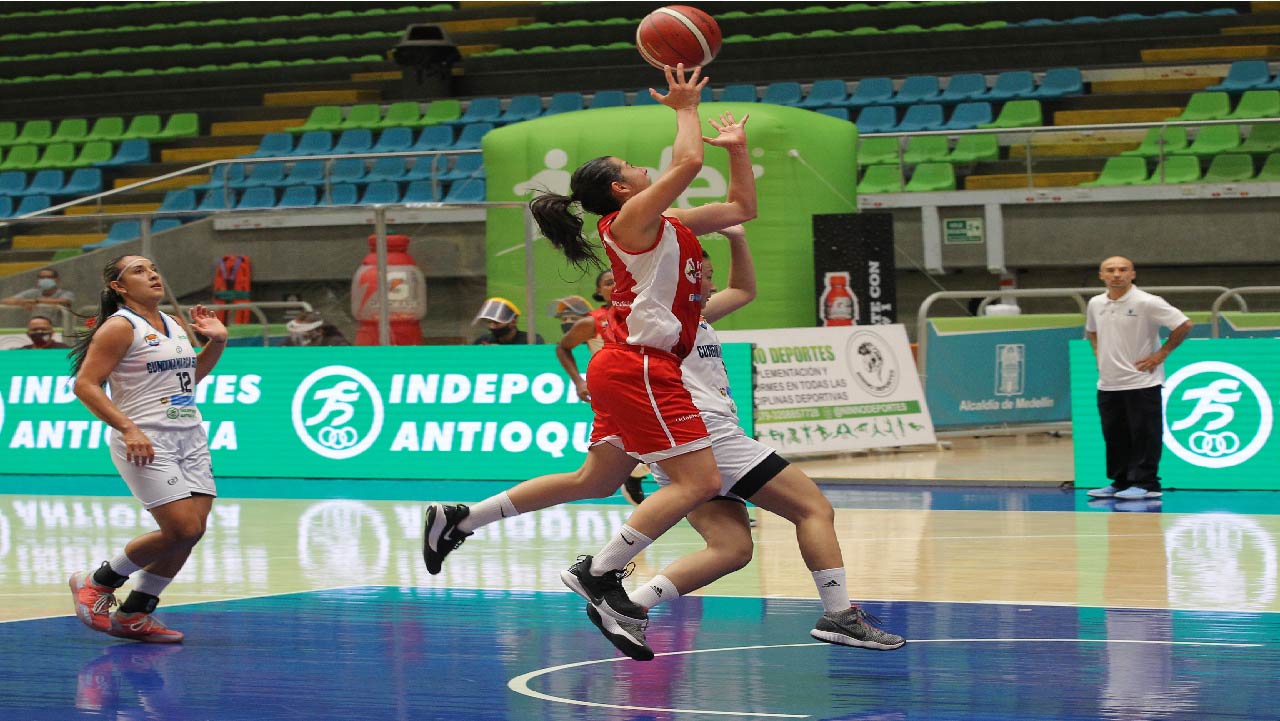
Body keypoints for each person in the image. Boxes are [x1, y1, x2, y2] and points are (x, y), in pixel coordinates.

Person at [422, 224, 905, 659]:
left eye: (708, 274)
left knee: (730, 547)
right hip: (702, 431)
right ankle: (839, 614)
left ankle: (627, 605)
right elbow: (585, 336)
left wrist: (737, 237)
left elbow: (744, 289)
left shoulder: (691, 312)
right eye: (700, 272)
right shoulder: (652, 314)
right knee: (813, 509)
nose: (707, 281)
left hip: (678, 434)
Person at [67, 254, 228, 643]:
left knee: (193, 531)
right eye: (139, 270)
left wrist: (217, 342)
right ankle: (97, 581)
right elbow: (85, 385)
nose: (153, 274)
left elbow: (188, 379)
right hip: (145, 440)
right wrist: (127, 428)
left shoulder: (172, 323)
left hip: (189, 436)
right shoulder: (120, 327)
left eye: (154, 267)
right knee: (181, 527)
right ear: (119, 287)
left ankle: (135, 612)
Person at [1085, 256, 1193, 501]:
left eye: (1123, 269)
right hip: (1108, 383)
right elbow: (1092, 331)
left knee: (1144, 434)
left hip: (1142, 382)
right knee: (1115, 435)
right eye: (1110, 270)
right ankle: (1120, 481)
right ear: (1101, 275)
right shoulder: (1095, 303)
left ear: (1132, 274)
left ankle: (1147, 483)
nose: (1116, 274)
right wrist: (1097, 352)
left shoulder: (1147, 302)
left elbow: (1184, 324)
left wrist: (1161, 354)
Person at [553, 273, 647, 505]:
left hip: (649, 386)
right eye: (608, 282)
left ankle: (635, 474)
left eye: (618, 279)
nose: (615, 285)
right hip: (614, 392)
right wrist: (579, 381)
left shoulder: (644, 313)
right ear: (599, 292)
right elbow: (562, 348)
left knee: (647, 444)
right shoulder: (591, 322)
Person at [471, 296, 544, 345]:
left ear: (513, 321)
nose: (492, 326)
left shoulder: (532, 340)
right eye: (489, 322)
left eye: (496, 322)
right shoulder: (483, 341)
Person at [2, 266, 76, 313]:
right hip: (37, 326)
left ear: (57, 279)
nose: (45, 279)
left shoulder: (65, 293)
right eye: (42, 277)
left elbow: (64, 301)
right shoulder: (33, 292)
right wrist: (24, 301)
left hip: (60, 330)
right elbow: (5, 301)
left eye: (49, 277)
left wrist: (36, 301)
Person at [281, 311, 351, 346]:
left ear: (319, 331)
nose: (299, 334)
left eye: (303, 330)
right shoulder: (291, 342)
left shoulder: (337, 344)